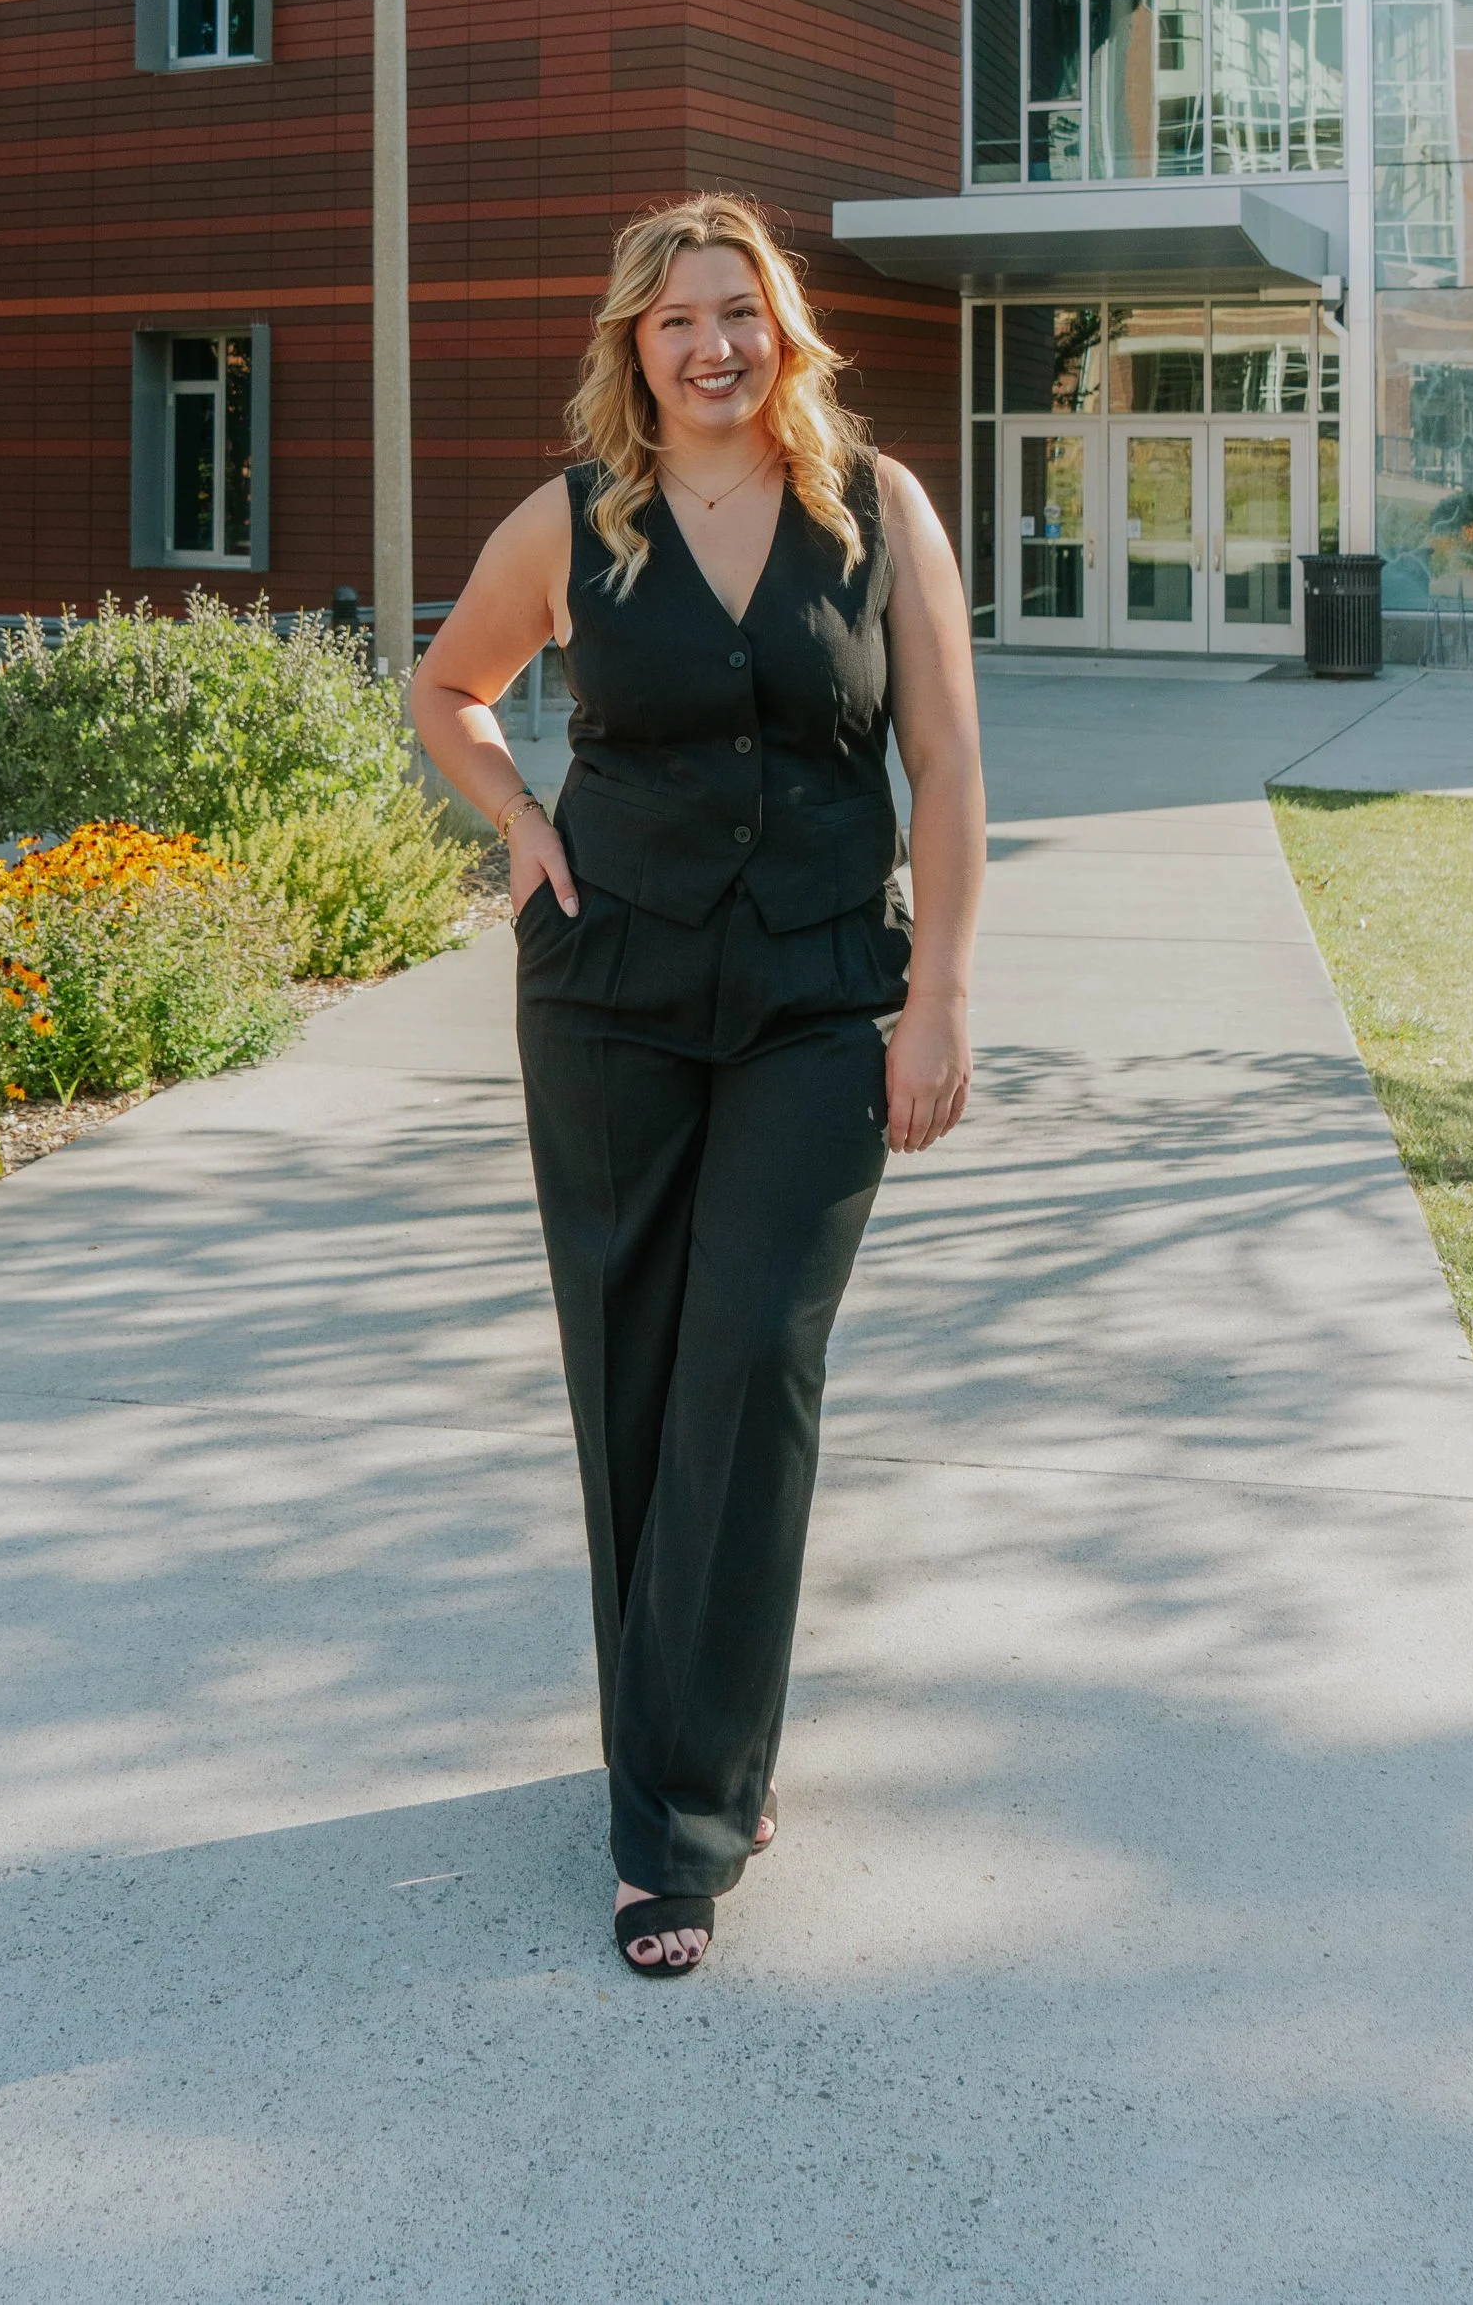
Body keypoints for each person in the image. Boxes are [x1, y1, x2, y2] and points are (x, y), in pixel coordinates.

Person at [411, 193, 985, 1979]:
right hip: (612, 997)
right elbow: (450, 688)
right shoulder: (574, 525)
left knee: (753, 1363)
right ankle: (692, 1784)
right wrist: (517, 823)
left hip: (824, 998)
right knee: (638, 1376)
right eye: (677, 320)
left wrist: (940, 1000)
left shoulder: (878, 514)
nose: (713, 343)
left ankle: (680, 1810)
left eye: (739, 311)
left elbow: (951, 766)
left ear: (785, 329)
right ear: (631, 349)